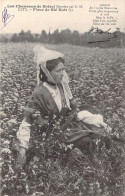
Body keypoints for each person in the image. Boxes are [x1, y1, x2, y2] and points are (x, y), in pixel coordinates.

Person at [16, 45, 113, 167]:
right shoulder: (39, 93)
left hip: (69, 129)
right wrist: (22, 151)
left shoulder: (61, 86)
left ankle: (99, 162)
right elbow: (27, 122)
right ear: (47, 72)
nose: (62, 74)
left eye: (63, 69)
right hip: (52, 136)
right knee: (87, 142)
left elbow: (73, 111)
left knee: (100, 135)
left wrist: (93, 120)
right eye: (58, 71)